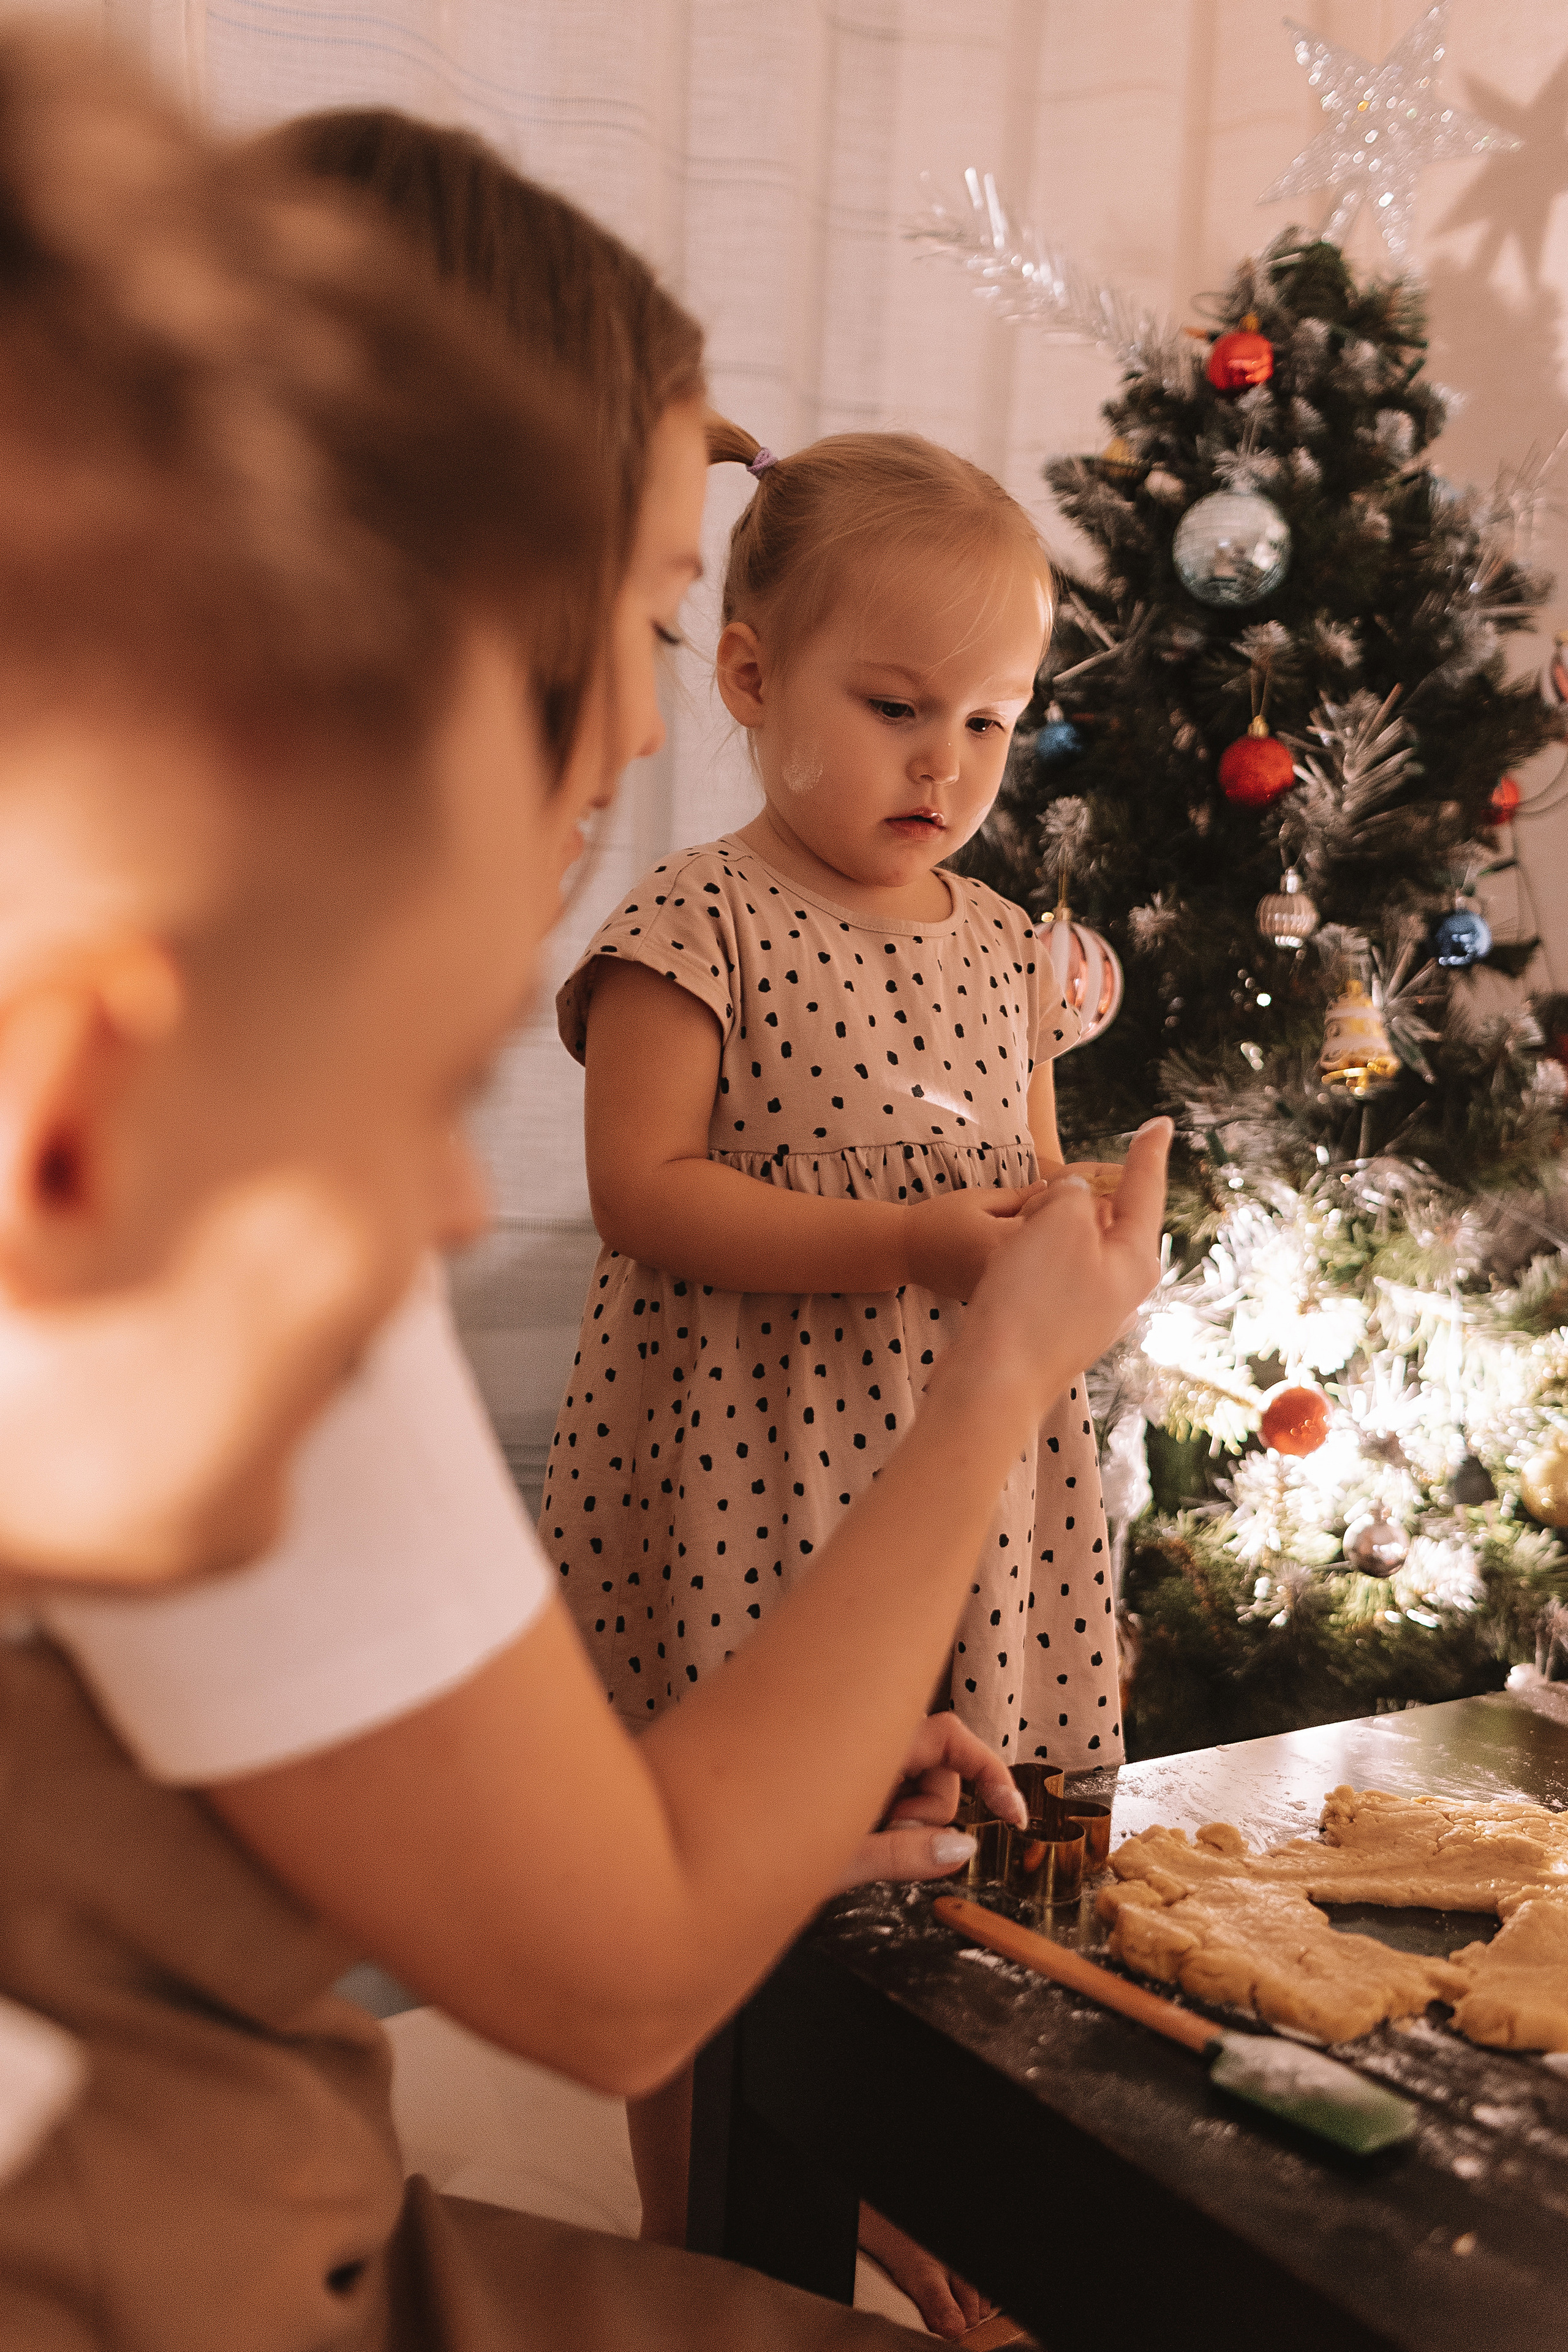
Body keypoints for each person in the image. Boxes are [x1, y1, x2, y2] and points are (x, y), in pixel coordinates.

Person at [0, 56, 1174, 2348]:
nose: (647, 735)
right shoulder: (647, 956)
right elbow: (615, 1975)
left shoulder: (994, 939)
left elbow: (503, 1869)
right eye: (651, 629)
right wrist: (993, 1366)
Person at [543, 425, 1132, 2312]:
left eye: (990, 721)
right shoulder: (693, 923)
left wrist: (1071, 1231)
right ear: (747, 678)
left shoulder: (1017, 950)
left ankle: (917, 2196)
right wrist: (905, 1240)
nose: (946, 767)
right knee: (721, 1869)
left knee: (933, 1864)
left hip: (957, 1476)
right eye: (896, 709)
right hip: (743, 1478)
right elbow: (642, 1195)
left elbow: (1026, 1171)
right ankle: (702, 2224)